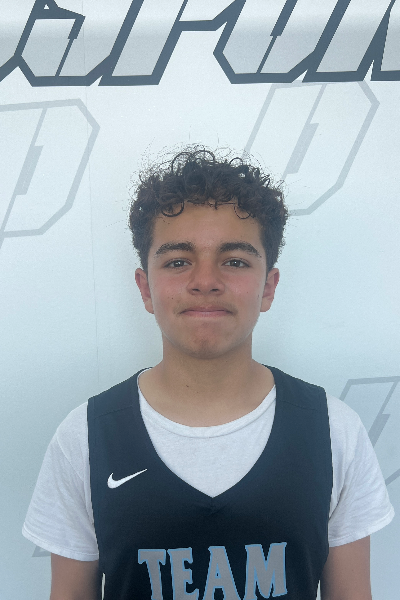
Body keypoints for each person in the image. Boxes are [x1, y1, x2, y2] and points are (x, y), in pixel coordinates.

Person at [22, 147, 394, 600]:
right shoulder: (85, 436)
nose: (205, 280)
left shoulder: (334, 431)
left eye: (234, 260)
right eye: (178, 261)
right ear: (145, 288)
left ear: (268, 287)